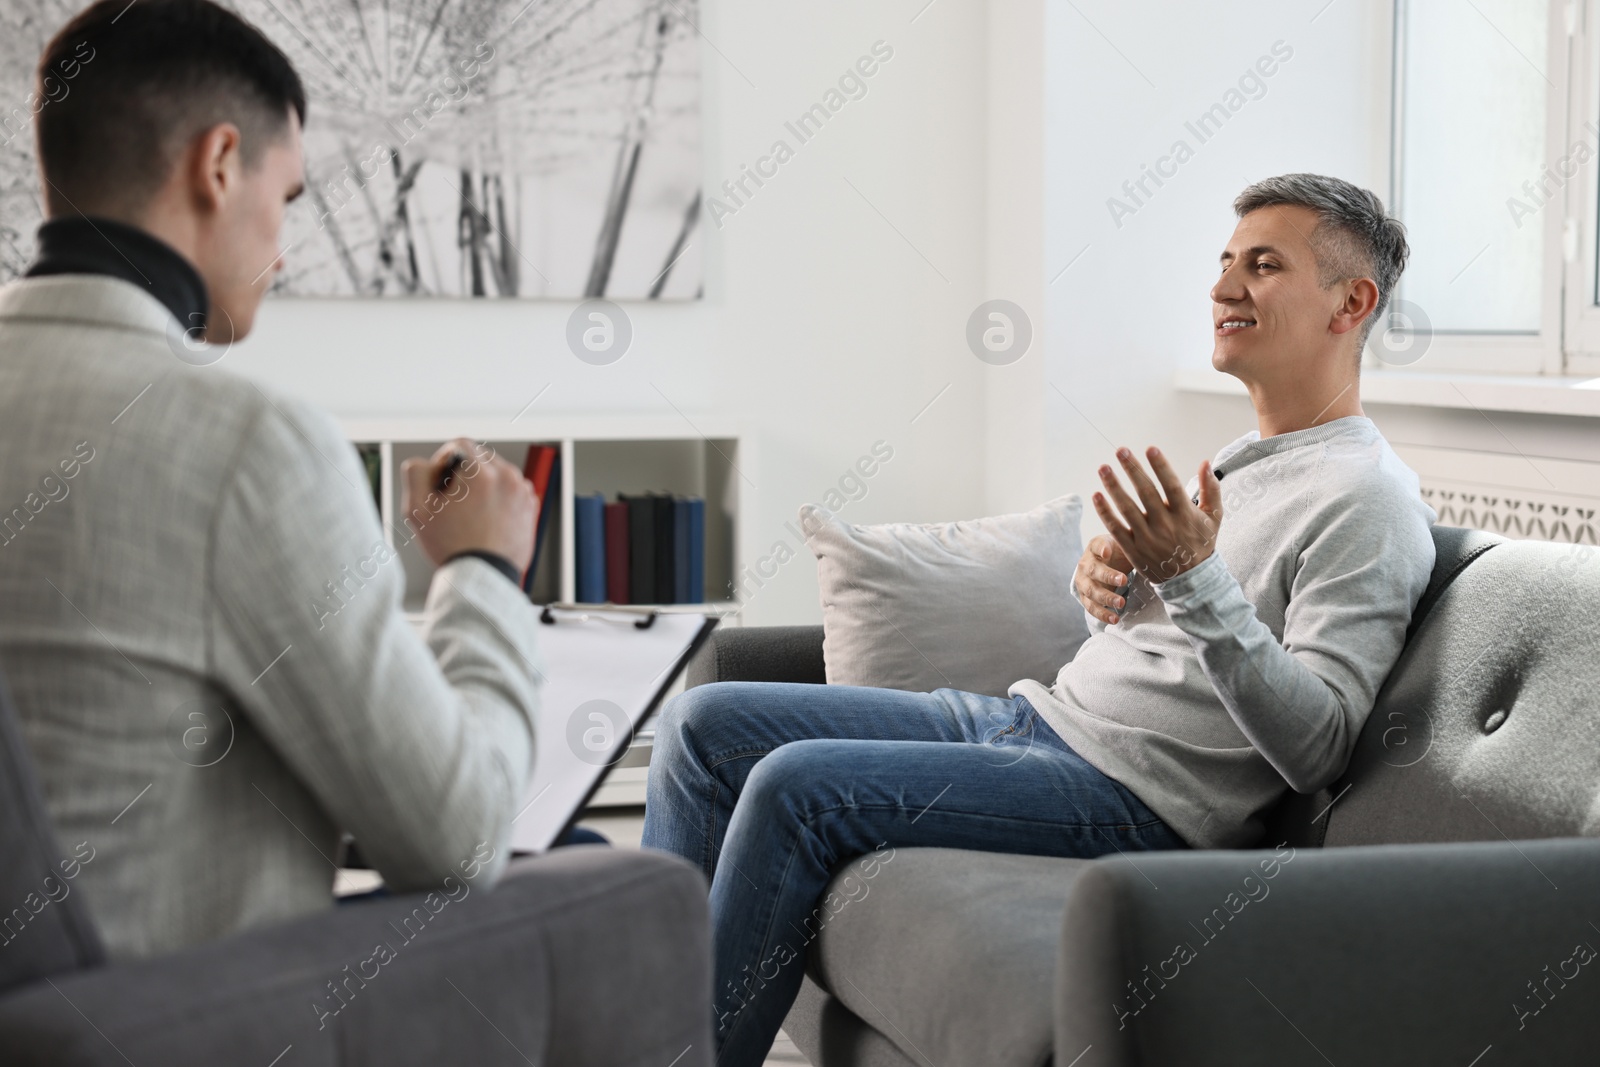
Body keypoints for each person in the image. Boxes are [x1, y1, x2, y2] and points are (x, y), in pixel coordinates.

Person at [642, 172, 1440, 1066]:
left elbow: (1321, 741)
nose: (1223, 288)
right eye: (1224, 263)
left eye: (1263, 265)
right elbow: (1187, 638)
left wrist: (1191, 579)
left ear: (1352, 302)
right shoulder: (1247, 463)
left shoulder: (1367, 501)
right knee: (704, 724)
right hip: (1034, 721)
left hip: (1134, 797)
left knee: (796, 788)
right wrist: (1114, 586)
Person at [0, 0, 545, 959]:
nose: (285, 247)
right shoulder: (244, 444)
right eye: (287, 197)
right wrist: (483, 573)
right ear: (217, 166)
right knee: (625, 878)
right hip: (183, 1019)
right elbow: (457, 836)